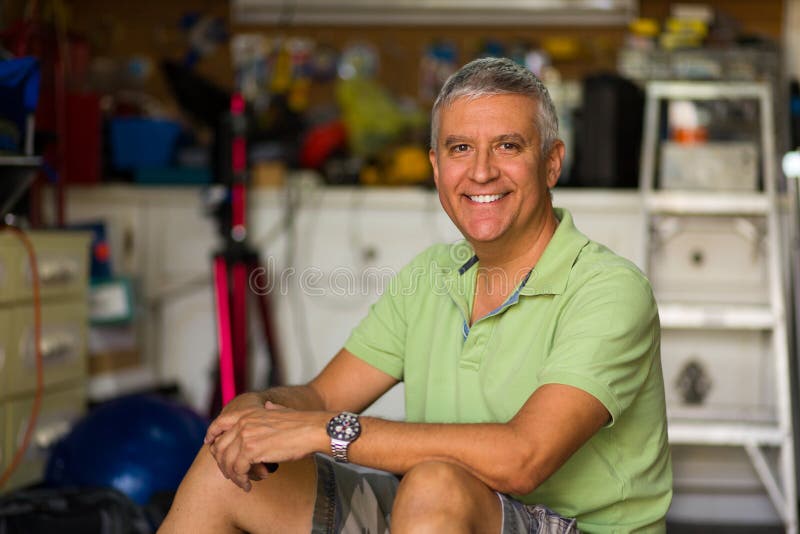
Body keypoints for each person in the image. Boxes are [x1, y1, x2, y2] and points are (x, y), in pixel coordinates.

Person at [159, 56, 672, 534]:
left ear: (552, 163)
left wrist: (325, 431)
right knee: (222, 468)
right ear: (436, 167)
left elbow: (523, 458)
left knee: (433, 483)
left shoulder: (608, 288)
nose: (481, 171)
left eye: (508, 146)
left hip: (571, 525)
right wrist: (259, 413)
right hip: (435, 515)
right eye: (460, 148)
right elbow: (319, 398)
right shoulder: (431, 276)